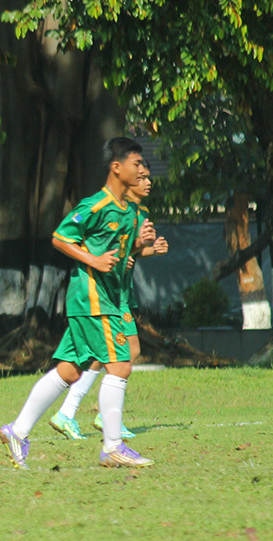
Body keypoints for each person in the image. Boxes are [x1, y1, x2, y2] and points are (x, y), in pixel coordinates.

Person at [0, 137, 156, 469]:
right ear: (117, 167)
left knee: (69, 371)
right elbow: (60, 238)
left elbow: (121, 257)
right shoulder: (95, 205)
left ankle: (18, 430)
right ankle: (112, 447)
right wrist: (92, 260)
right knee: (120, 365)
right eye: (136, 163)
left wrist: (141, 247)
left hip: (108, 298)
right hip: (93, 299)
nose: (142, 170)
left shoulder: (128, 211)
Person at [49, 162, 169, 440]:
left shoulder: (141, 212)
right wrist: (129, 254)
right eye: (141, 176)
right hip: (106, 294)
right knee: (119, 353)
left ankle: (75, 413)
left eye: (148, 177)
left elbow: (129, 252)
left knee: (120, 353)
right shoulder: (114, 207)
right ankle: (83, 415)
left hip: (120, 293)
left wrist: (148, 249)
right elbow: (111, 251)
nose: (146, 181)